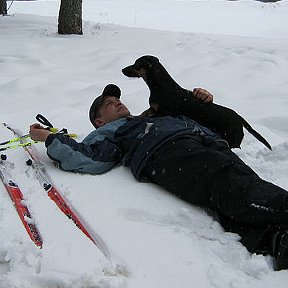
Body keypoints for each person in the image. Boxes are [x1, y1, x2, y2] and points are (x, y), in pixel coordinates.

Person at [29, 84, 288, 271]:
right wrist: (49, 138)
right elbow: (92, 159)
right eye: (109, 104)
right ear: (98, 121)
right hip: (169, 152)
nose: (117, 102)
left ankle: (278, 240)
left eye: (117, 99)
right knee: (233, 185)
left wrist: (202, 100)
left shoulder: (153, 114)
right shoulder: (109, 133)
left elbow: (213, 120)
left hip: (208, 144)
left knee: (237, 197)